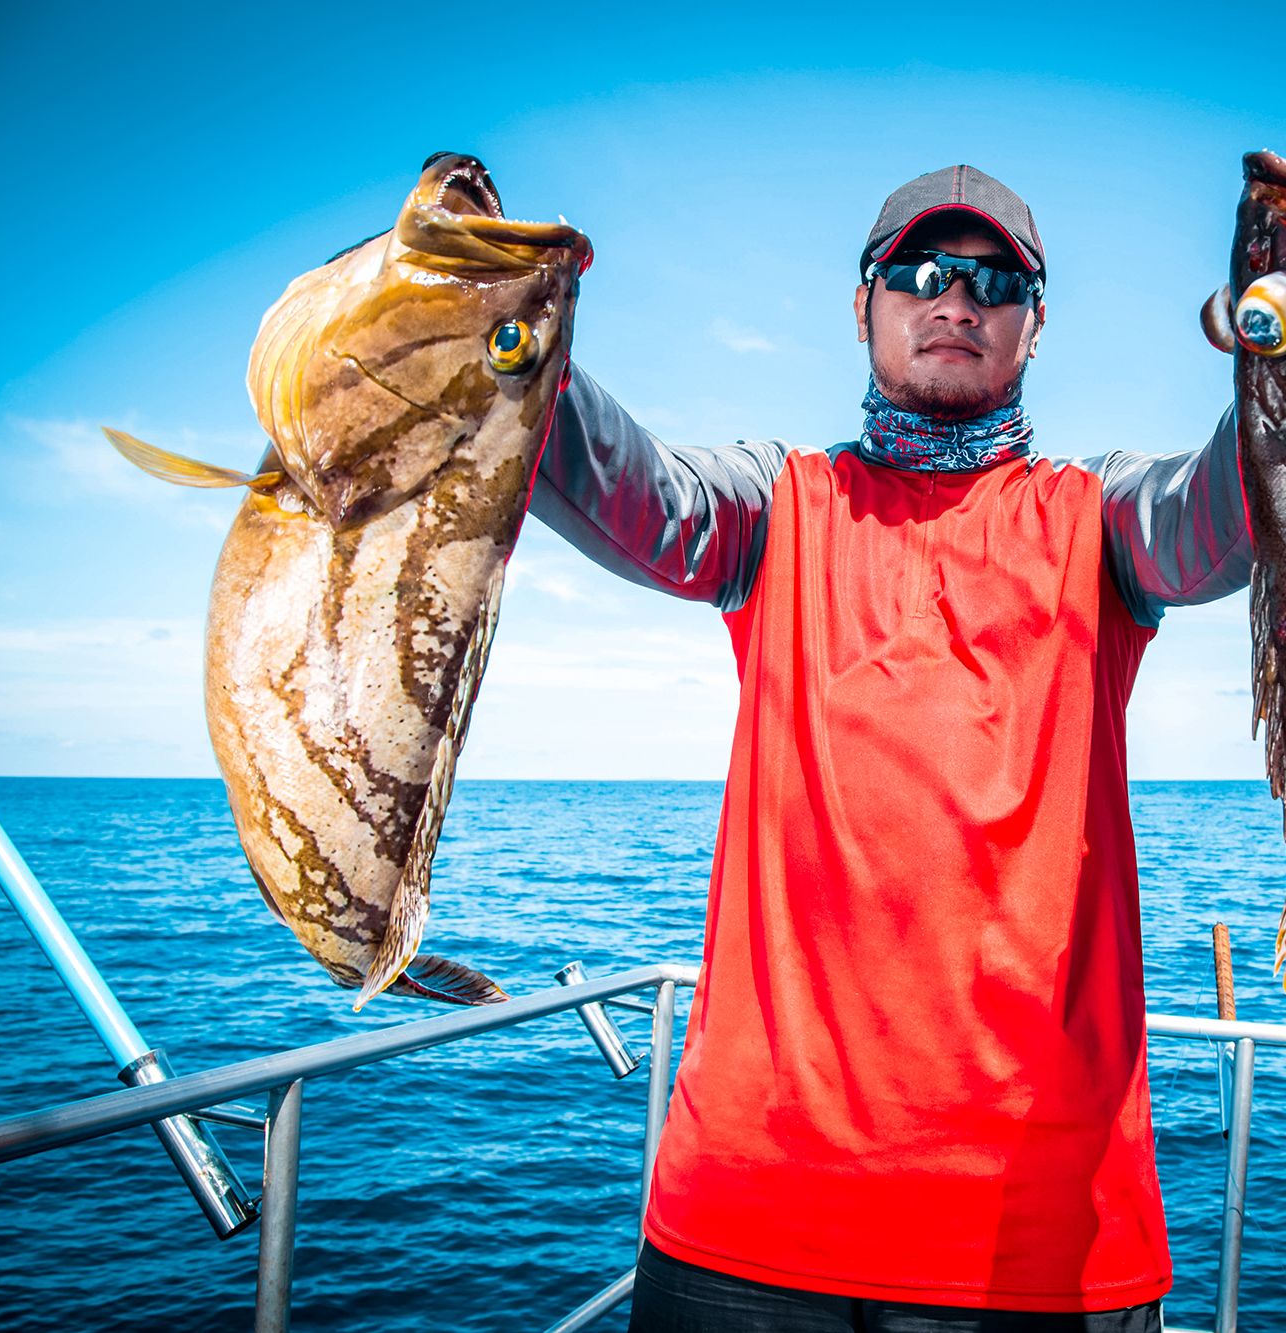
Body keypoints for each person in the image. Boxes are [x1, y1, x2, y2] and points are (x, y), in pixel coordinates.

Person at [530, 165, 1248, 1331]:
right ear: (862, 304)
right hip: (740, 1231)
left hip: (1043, 1247)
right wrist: (501, 331)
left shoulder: (1099, 518)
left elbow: (1231, 509)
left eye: (991, 280)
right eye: (919, 274)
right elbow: (633, 492)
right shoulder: (777, 504)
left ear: (1033, 322)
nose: (953, 301)